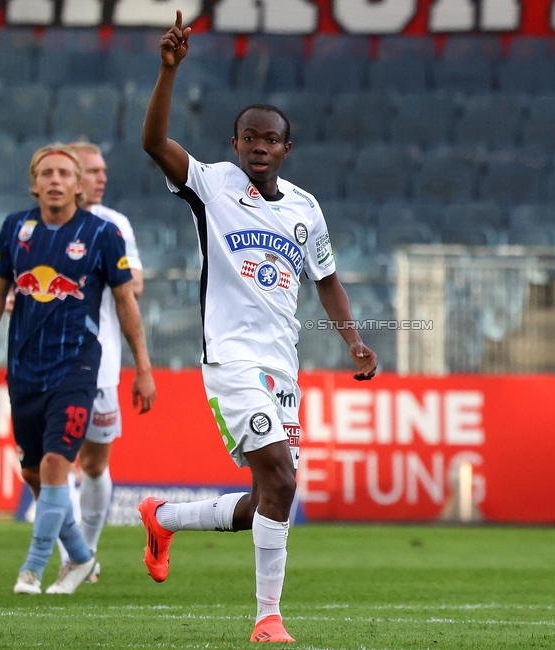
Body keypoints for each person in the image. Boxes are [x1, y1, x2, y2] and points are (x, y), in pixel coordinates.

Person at [137, 10, 377, 643]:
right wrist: (168, 71)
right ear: (236, 143)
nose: (260, 147)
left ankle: (163, 517)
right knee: (282, 475)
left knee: (268, 499)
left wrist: (353, 339)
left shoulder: (306, 208)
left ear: (286, 148)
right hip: (233, 359)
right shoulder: (211, 187)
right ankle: (268, 617)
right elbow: (154, 144)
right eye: (250, 138)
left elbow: (325, 279)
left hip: (284, 365)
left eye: (270, 140)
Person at [0, 143, 157, 596]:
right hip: (26, 366)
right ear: (34, 183)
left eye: (64, 174)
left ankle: (34, 567)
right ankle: (83, 559)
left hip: (82, 365)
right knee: (34, 471)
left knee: (63, 461)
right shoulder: (15, 229)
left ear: (77, 185)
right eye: (46, 173)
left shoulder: (105, 231)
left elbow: (128, 298)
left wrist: (142, 367)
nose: (55, 180)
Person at [55, 141, 145, 580]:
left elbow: (136, 286)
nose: (101, 178)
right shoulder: (38, 228)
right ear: (70, 176)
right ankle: (72, 555)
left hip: (102, 365)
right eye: (92, 170)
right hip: (47, 363)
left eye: (103, 170)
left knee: (92, 465)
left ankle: (86, 549)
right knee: (49, 462)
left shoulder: (114, 226)